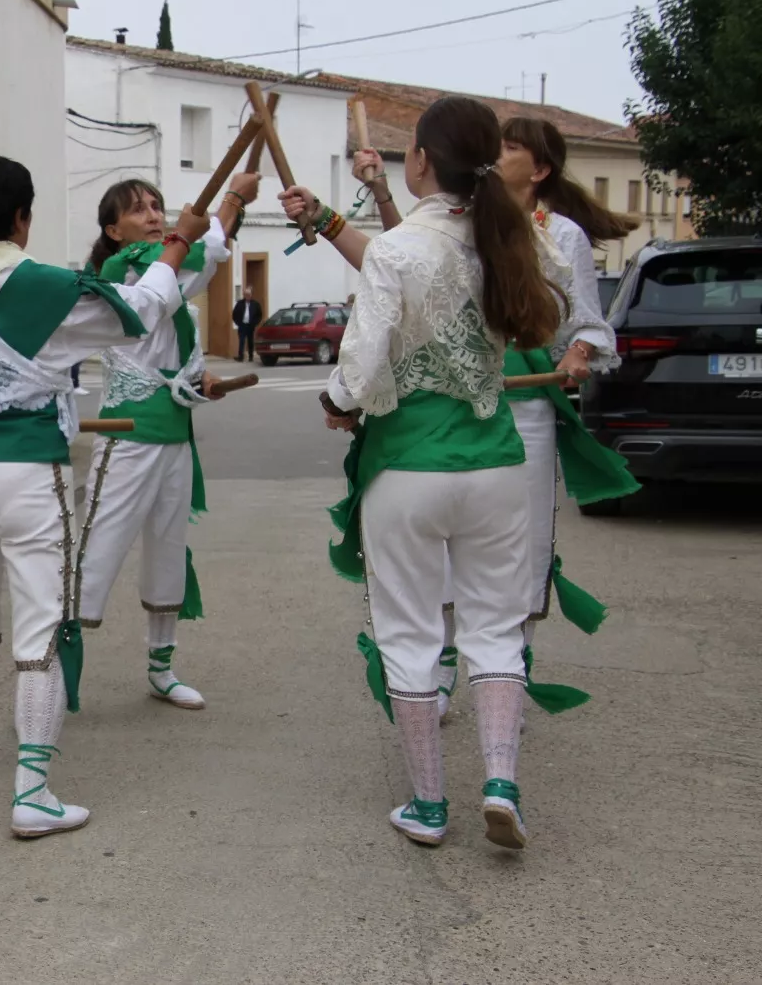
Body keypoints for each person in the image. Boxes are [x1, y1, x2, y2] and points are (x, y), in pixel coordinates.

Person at [0, 153, 211, 838]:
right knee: (39, 619)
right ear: (21, 218)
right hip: (26, 469)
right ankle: (32, 790)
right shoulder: (47, 285)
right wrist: (178, 243)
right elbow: (142, 312)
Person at [316, 96, 562, 850]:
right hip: (495, 466)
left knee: (412, 630)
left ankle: (428, 804)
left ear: (419, 161)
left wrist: (336, 401)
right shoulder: (512, 238)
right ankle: (499, 780)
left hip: (408, 466)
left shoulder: (398, 251)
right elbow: (559, 299)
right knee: (495, 625)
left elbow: (358, 368)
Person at [352, 119, 638, 720]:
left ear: (538, 170)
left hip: (523, 409)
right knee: (446, 553)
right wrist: (360, 200)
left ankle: (507, 680)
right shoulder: (460, 221)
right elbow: (402, 261)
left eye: (512, 148)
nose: (496, 154)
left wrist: (579, 355)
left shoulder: (556, 234)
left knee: (516, 556)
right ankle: (448, 678)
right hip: (446, 407)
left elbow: (584, 318)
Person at [74, 172, 260, 711]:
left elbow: (205, 250)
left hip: (174, 437)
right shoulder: (125, 274)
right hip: (128, 439)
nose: (154, 215)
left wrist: (197, 380)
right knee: (97, 553)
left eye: (157, 206)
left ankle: (162, 666)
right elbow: (209, 248)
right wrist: (232, 200)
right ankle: (54, 668)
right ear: (113, 229)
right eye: (138, 210)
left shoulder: (169, 268)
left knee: (167, 551)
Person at [231, 284, 262, 362]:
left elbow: (259, 315)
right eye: (245, 294)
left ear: (251, 295)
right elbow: (234, 314)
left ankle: (251, 356)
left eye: (248, 294)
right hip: (242, 325)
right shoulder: (240, 304)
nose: (247, 296)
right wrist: (238, 323)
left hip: (250, 325)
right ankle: (240, 356)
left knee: (250, 341)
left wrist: (255, 323)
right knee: (241, 341)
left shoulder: (255, 304)